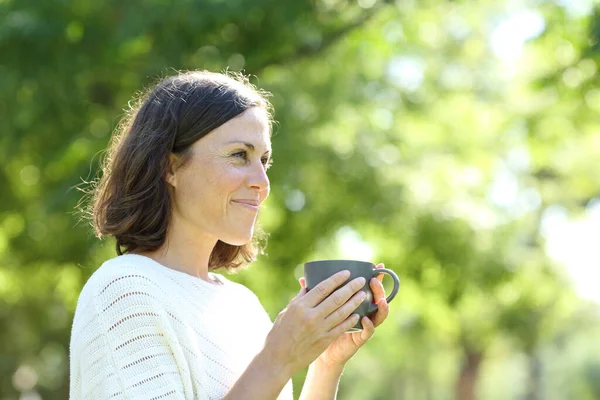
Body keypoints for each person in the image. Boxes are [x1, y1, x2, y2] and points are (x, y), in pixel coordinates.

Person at [69, 70, 391, 400]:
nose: (262, 183)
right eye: (240, 155)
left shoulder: (243, 307)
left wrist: (324, 362)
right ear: (169, 167)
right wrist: (277, 357)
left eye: (264, 160)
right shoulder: (124, 292)